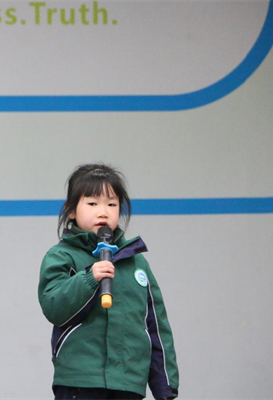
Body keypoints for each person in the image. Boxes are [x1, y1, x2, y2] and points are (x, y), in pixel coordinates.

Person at [38, 163, 179, 400]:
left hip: (128, 383)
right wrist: (90, 278)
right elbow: (54, 306)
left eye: (112, 204)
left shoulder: (137, 262)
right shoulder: (61, 256)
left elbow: (156, 325)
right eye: (92, 204)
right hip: (80, 381)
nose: (103, 212)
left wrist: (165, 385)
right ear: (71, 210)